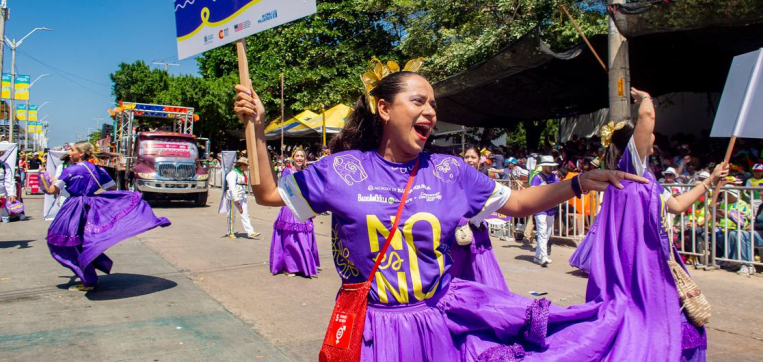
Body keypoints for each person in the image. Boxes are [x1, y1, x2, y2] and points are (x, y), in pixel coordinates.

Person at [234, 60, 650, 362]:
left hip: (436, 325)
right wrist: (256, 126)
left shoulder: (451, 172)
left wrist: (576, 183)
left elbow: (519, 203)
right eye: (418, 101)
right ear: (384, 108)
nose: (431, 112)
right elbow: (268, 193)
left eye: (434, 104)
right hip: (370, 330)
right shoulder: (342, 169)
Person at [570, 87, 728, 361]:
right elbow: (646, 117)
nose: (654, 136)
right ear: (633, 143)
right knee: (650, 331)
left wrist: (710, 181)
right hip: (642, 268)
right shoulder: (630, 170)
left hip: (663, 262)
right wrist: (645, 98)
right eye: (647, 134)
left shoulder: (648, 179)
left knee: (683, 329)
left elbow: (677, 206)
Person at [40, 142, 171, 291]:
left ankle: (88, 278)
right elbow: (112, 188)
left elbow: (51, 190)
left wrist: (45, 177)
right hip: (90, 206)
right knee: (85, 240)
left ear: (81, 153)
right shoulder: (99, 170)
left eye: (72, 150)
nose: (69, 153)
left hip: (73, 208)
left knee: (64, 242)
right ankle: (94, 267)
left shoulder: (71, 170)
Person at [449, 145, 509, 291]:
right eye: (467, 157)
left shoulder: (484, 180)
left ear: (479, 160)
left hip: (476, 229)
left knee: (480, 269)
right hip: (459, 229)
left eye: (473, 157)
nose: (469, 160)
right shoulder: (456, 179)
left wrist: (477, 218)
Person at [269, 147, 320, 278]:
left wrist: (312, 207)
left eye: (301, 156)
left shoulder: (307, 172)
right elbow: (283, 189)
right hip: (290, 207)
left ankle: (304, 266)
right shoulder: (287, 172)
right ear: (293, 158)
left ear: (304, 159)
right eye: (297, 155)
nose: (299, 158)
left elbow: (310, 192)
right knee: (290, 239)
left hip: (303, 207)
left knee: (304, 237)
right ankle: (289, 267)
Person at [529, 155, 560, 265]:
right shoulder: (537, 178)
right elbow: (532, 193)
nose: (551, 168)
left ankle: (537, 256)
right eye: (549, 166)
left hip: (551, 208)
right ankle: (544, 256)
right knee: (542, 232)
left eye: (552, 166)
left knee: (547, 233)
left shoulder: (555, 177)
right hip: (540, 208)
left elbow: (558, 189)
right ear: (543, 166)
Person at [224, 157, 260, 239]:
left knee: (245, 214)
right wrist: (235, 198)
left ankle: (250, 231)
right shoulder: (233, 174)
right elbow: (232, 187)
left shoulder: (242, 174)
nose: (248, 167)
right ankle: (230, 231)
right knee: (231, 215)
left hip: (242, 196)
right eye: (246, 165)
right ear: (242, 165)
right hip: (233, 197)